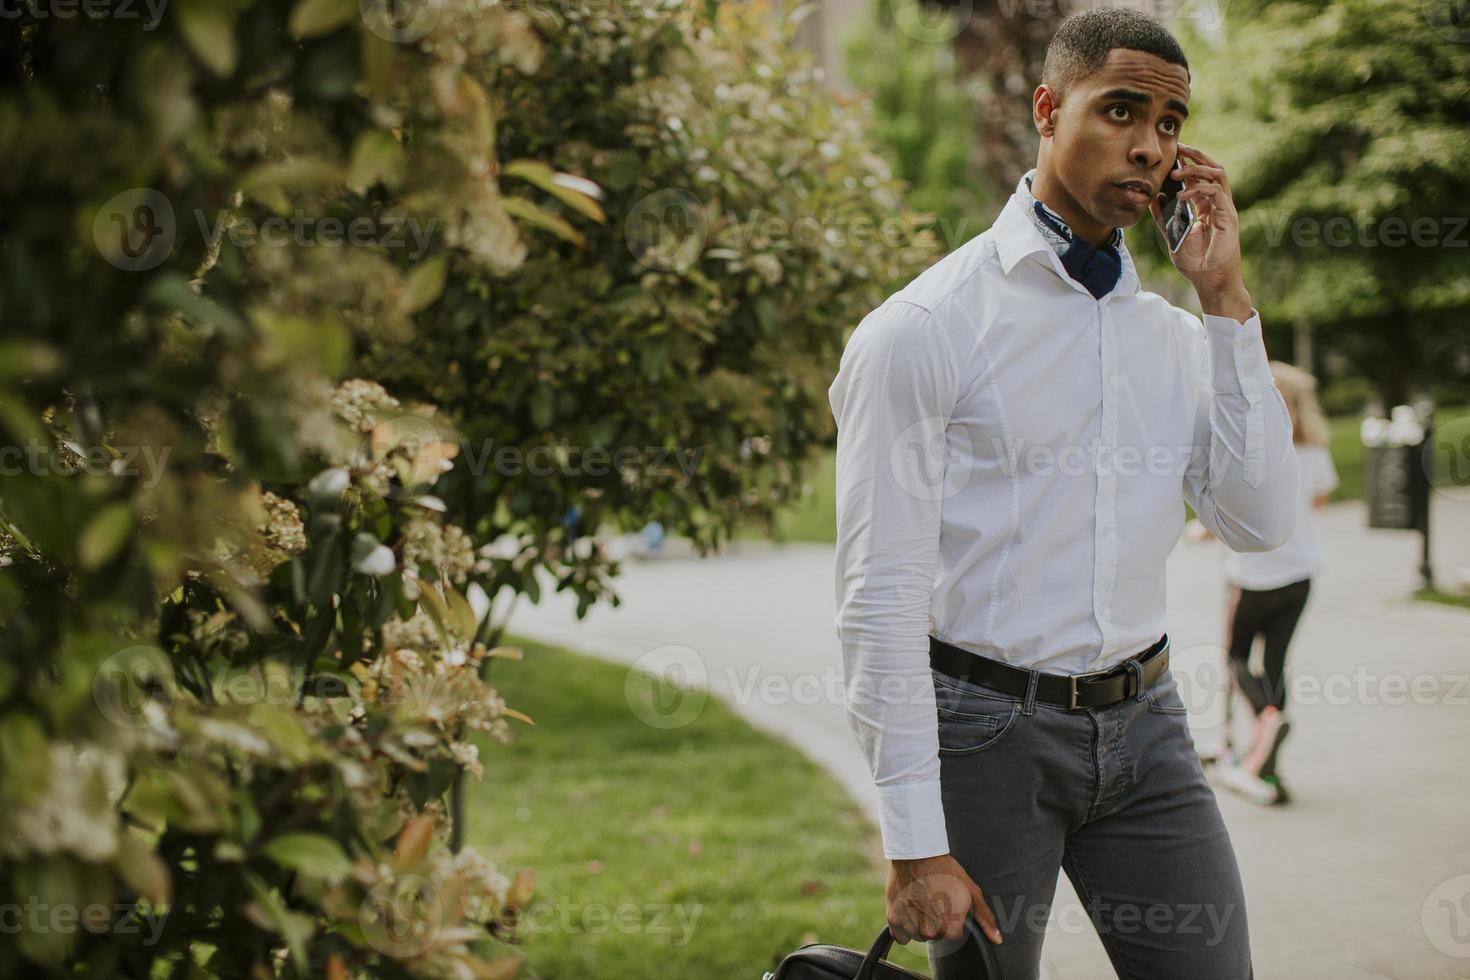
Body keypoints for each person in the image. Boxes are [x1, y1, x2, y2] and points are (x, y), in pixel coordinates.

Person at [827, 9, 1300, 979]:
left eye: (1169, 123)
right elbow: (878, 595)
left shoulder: (1176, 340)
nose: (1148, 144)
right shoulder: (924, 329)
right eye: (1120, 109)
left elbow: (1262, 519)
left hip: (1150, 728)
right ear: (1047, 109)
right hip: (985, 734)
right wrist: (914, 837)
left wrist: (1226, 302)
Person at [1219, 361, 1338, 801]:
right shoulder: (1315, 452)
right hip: (1301, 575)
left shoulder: (1258, 452)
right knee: (1275, 664)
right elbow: (1321, 499)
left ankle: (1267, 719)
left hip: (1254, 578)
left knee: (1235, 657)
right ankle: (1269, 756)